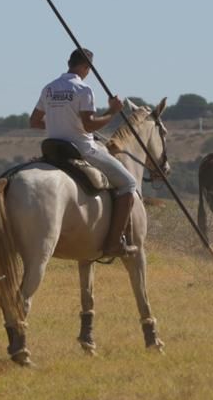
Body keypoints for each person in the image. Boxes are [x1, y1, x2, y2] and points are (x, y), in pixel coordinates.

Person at [29, 47, 137, 257]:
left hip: (52, 147)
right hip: (82, 149)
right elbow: (89, 126)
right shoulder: (83, 90)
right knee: (129, 183)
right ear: (87, 67)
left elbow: (34, 121)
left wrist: (58, 124)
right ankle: (114, 243)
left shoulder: (49, 88)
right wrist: (112, 112)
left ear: (69, 62)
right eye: (89, 69)